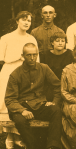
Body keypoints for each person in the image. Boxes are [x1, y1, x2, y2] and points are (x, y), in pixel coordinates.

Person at [5, 43, 62, 149]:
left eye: (34, 55)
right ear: (23, 56)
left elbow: (58, 86)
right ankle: (32, 146)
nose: (32, 58)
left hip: (39, 105)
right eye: (29, 55)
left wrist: (54, 101)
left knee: (56, 110)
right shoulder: (15, 75)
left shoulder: (44, 68)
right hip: (21, 107)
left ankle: (53, 146)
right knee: (20, 121)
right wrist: (22, 110)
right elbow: (9, 99)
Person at [0, 11, 38, 149]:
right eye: (24, 19)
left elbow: (36, 60)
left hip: (25, 74)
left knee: (20, 103)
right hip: (8, 72)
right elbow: (1, 57)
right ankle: (9, 137)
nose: (27, 22)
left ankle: (17, 136)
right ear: (17, 21)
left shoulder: (32, 39)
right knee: (8, 104)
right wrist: (17, 57)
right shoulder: (6, 38)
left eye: (29, 20)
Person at [42, 32, 74, 103]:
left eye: (63, 41)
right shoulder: (46, 55)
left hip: (66, 85)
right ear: (52, 43)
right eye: (57, 41)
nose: (60, 43)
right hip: (51, 86)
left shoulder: (70, 54)